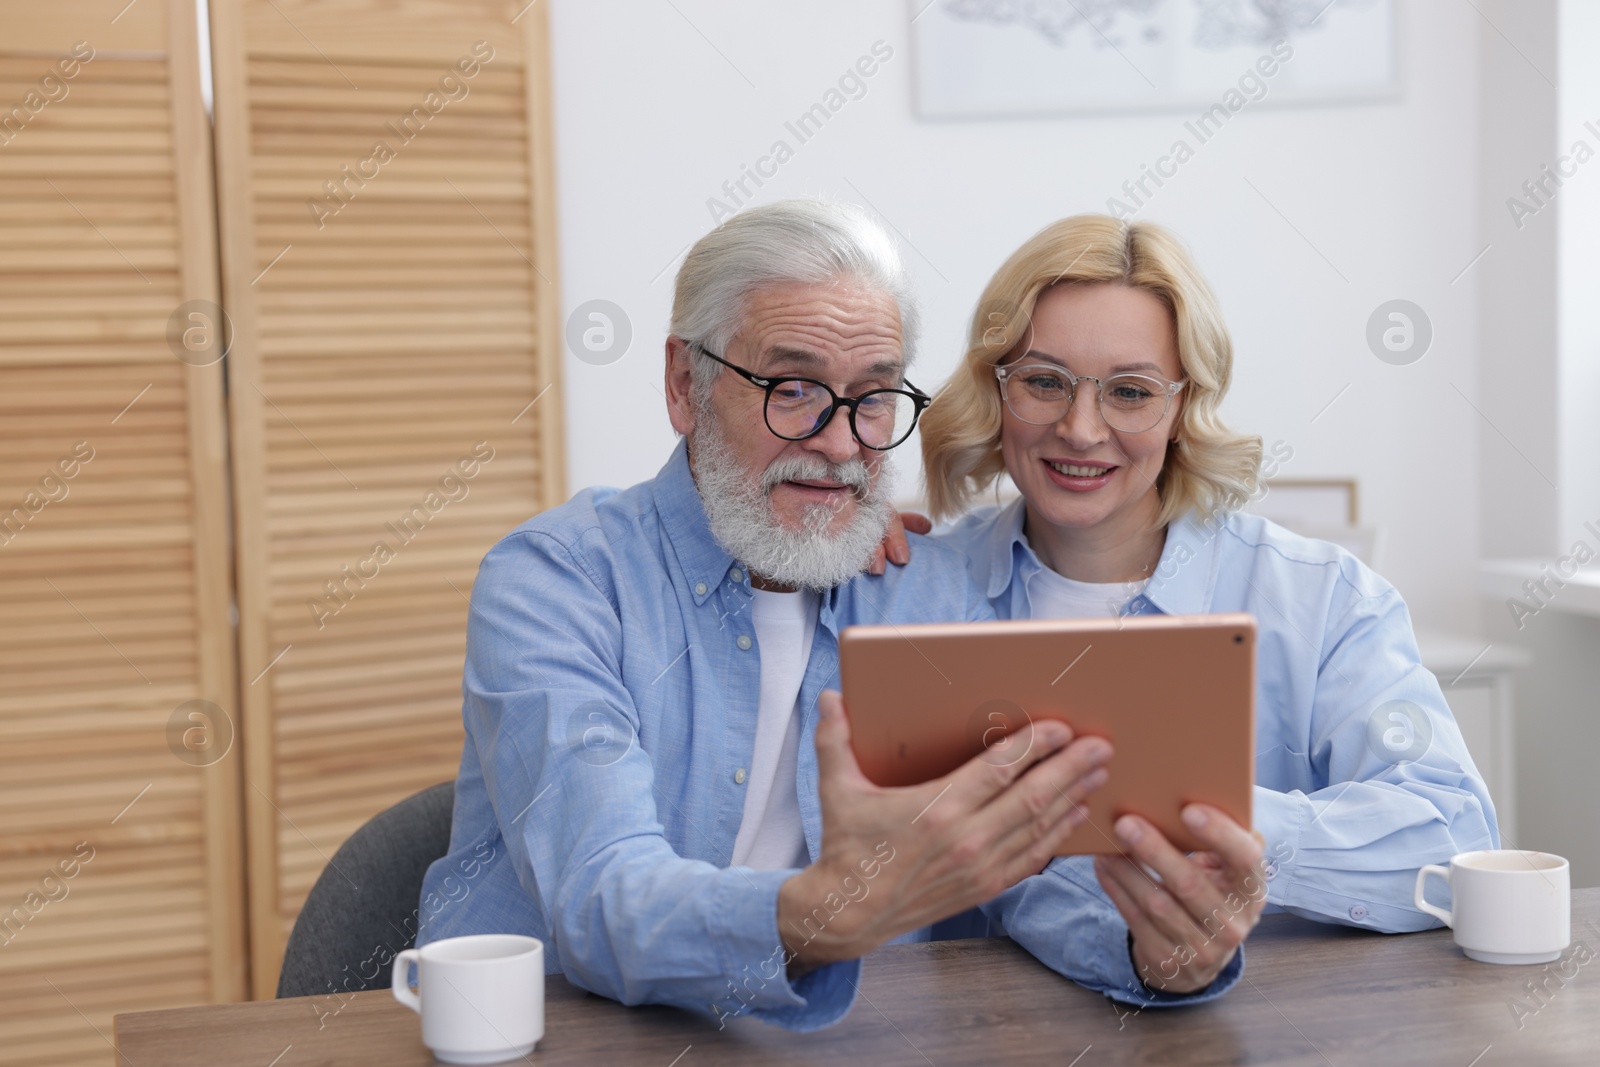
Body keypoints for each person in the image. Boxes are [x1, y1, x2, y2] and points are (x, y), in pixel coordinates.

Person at [414, 200, 1259, 1033]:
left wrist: (1152, 948)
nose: (842, 444)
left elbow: (1018, 871)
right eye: (794, 389)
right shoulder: (560, 579)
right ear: (684, 385)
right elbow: (599, 893)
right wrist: (817, 915)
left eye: (874, 396)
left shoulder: (922, 590)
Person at [903, 214, 1498, 964]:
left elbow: (1452, 843)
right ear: (996, 390)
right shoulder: (913, 593)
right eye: (1044, 382)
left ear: (1183, 406)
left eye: (1130, 391)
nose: (1082, 430)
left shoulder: (1323, 599)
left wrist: (1212, 826)